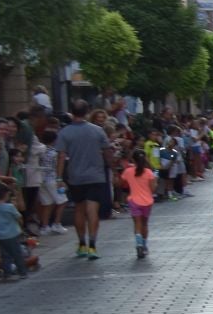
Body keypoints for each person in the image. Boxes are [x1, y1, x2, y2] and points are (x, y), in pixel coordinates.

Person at [56, 101, 112, 259]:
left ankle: (81, 244)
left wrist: (59, 177)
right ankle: (93, 245)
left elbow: (60, 156)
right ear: (87, 112)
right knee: (92, 209)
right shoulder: (98, 131)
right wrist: (111, 166)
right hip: (96, 175)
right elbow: (107, 151)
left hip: (76, 176)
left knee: (79, 209)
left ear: (72, 112)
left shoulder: (65, 132)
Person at [119, 150, 156, 258]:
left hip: (134, 200)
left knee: (137, 224)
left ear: (133, 160)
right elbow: (153, 189)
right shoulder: (149, 172)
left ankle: (138, 243)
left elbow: (121, 183)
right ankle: (144, 245)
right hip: (147, 201)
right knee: (145, 224)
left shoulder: (128, 171)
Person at [0, 183, 27, 280]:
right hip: (12, 234)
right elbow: (19, 217)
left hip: (0, 235)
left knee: (5, 255)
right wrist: (21, 226)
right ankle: (22, 272)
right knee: (17, 254)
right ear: (6, 194)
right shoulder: (10, 207)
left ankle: (7, 273)